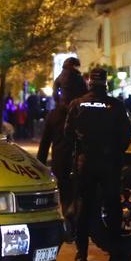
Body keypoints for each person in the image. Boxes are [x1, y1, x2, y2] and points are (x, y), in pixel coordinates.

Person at [65, 67, 131, 261]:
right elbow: (126, 135)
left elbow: (67, 133)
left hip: (85, 161)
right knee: (112, 206)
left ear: (89, 82)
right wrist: (116, 152)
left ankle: (82, 252)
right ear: (105, 83)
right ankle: (115, 252)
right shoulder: (116, 105)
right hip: (109, 161)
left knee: (84, 206)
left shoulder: (77, 104)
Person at [37, 92, 77, 239]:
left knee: (65, 195)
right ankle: (74, 224)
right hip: (76, 160)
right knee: (76, 194)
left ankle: (70, 225)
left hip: (60, 161)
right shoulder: (79, 112)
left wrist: (40, 164)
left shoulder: (54, 115)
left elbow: (45, 142)